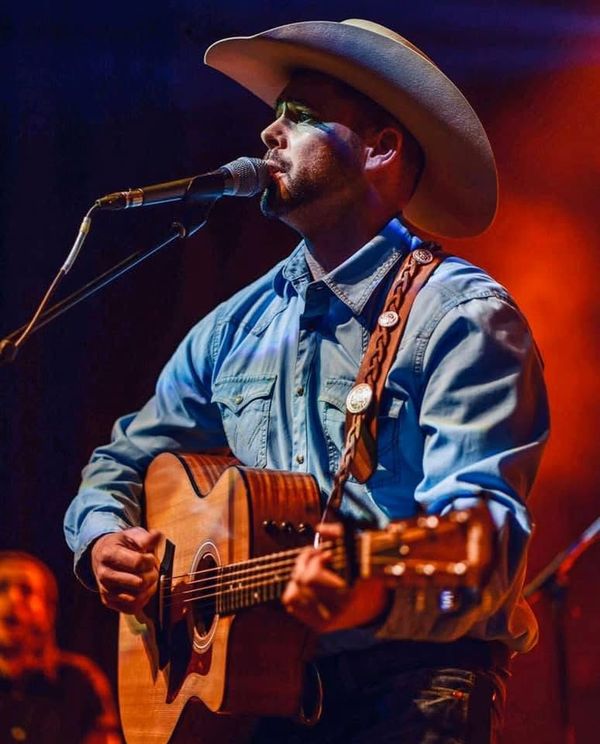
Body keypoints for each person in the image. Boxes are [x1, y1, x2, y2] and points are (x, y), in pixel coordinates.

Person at [64, 19, 549, 743]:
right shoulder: (235, 327)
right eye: (276, 114)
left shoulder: (462, 318)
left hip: (417, 689)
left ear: (381, 148)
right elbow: (121, 461)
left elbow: (486, 544)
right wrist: (104, 538)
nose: (270, 131)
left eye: (301, 115)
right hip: (269, 701)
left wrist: (373, 592)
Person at [0, 551, 120, 743]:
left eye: (26, 590)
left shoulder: (79, 679)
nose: (13, 598)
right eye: (2, 588)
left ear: (48, 612)